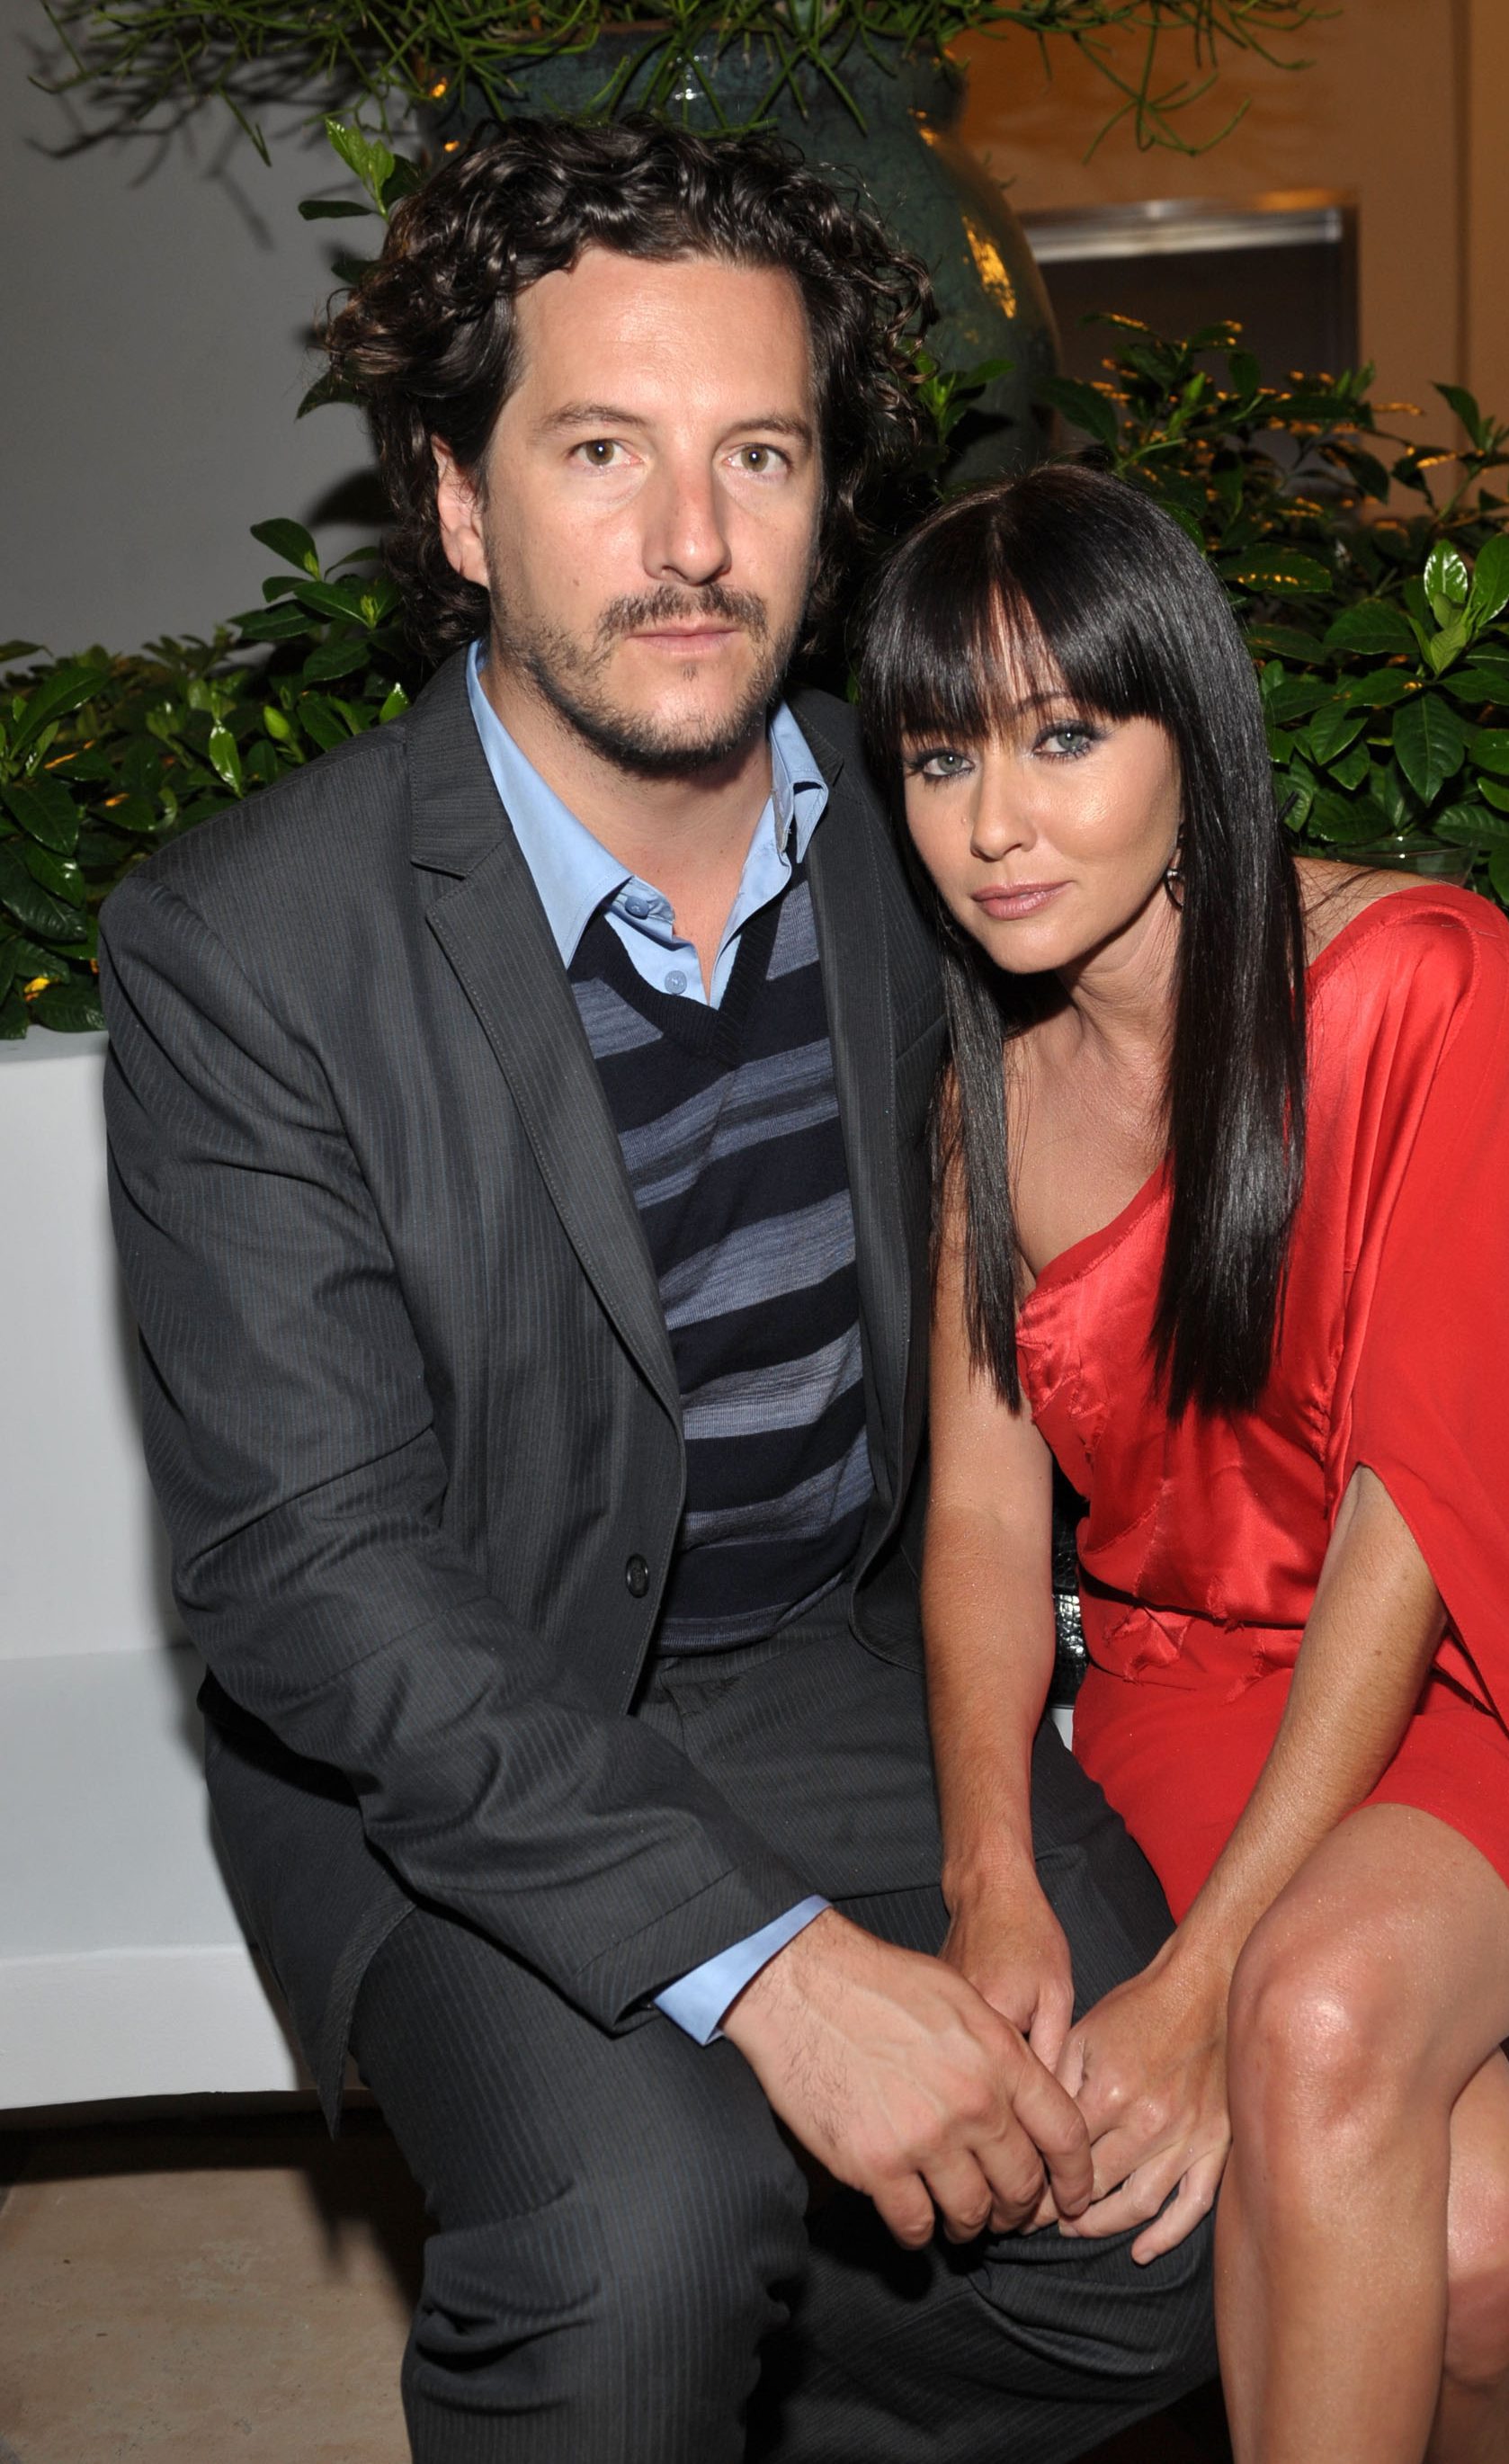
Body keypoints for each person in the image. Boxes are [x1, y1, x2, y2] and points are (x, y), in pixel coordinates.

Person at [99, 123, 1217, 2462]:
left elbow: (1212, 947)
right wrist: (781, 1974)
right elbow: (315, 1578)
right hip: (460, 1709)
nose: (693, 538)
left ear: (830, 503)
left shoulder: (930, 834)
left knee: (1166, 2236)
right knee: (635, 2238)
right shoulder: (247, 946)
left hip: (833, 1647)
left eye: (761, 455)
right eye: (604, 450)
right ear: (467, 502)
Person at [856, 461, 1509, 2464]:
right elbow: (990, 1520)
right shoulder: (979, 1105)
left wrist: (1191, 1984)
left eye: (1066, 736)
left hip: (1487, 1657)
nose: (995, 822)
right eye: (939, 759)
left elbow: (1413, 1511)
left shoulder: (1406, 983)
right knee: (1465, 2248)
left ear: (1193, 726)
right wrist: (988, 1873)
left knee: (1314, 2018)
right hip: (1194, 1682)